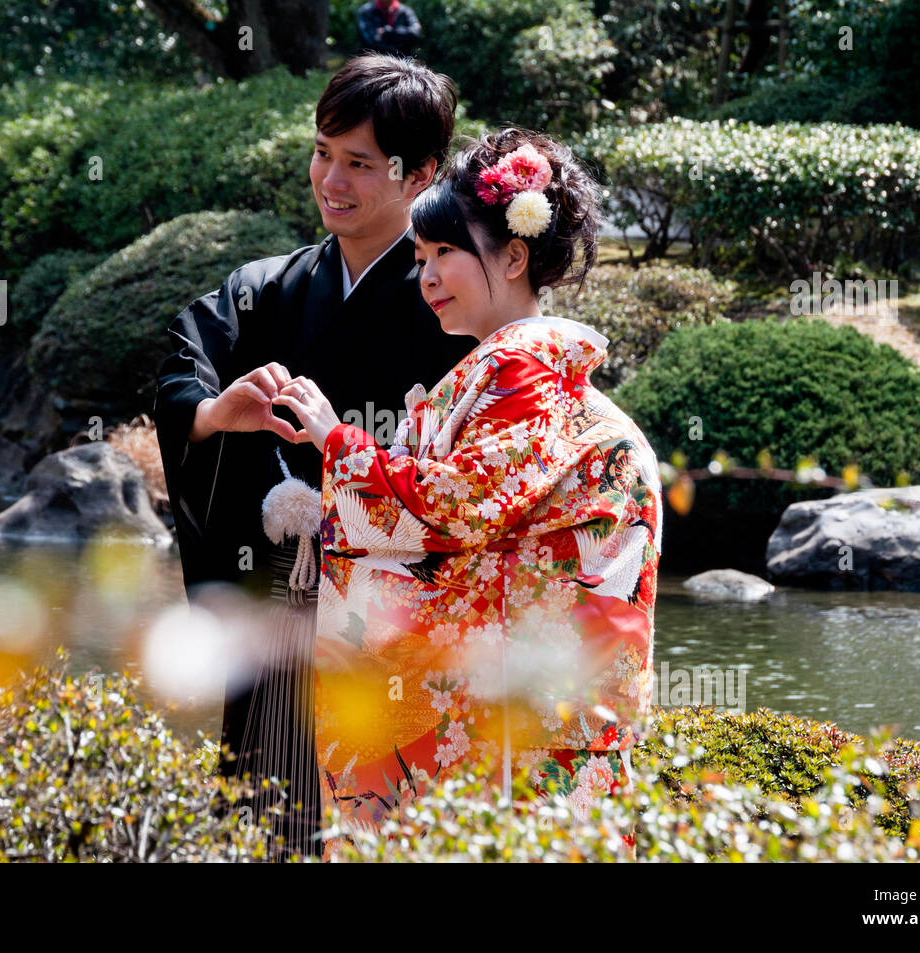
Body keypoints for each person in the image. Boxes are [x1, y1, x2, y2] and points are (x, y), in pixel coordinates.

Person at [266, 128, 663, 860]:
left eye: (446, 252)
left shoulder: (520, 366)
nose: (427, 275)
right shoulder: (519, 370)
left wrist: (335, 441)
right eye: (420, 259)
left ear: (514, 256)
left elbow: (458, 507)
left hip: (531, 700)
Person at [152, 53, 476, 861]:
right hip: (276, 608)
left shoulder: (454, 306)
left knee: (383, 822)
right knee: (269, 823)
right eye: (322, 153)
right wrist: (213, 417)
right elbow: (179, 371)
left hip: (394, 625)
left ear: (421, 172)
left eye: (359, 163)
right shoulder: (268, 289)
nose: (330, 179)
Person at [357, 0, 423, 56]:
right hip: (374, 60)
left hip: (403, 61)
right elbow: (369, 41)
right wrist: (399, 41)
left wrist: (389, 33)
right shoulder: (366, 11)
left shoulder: (405, 11)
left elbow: (416, 32)